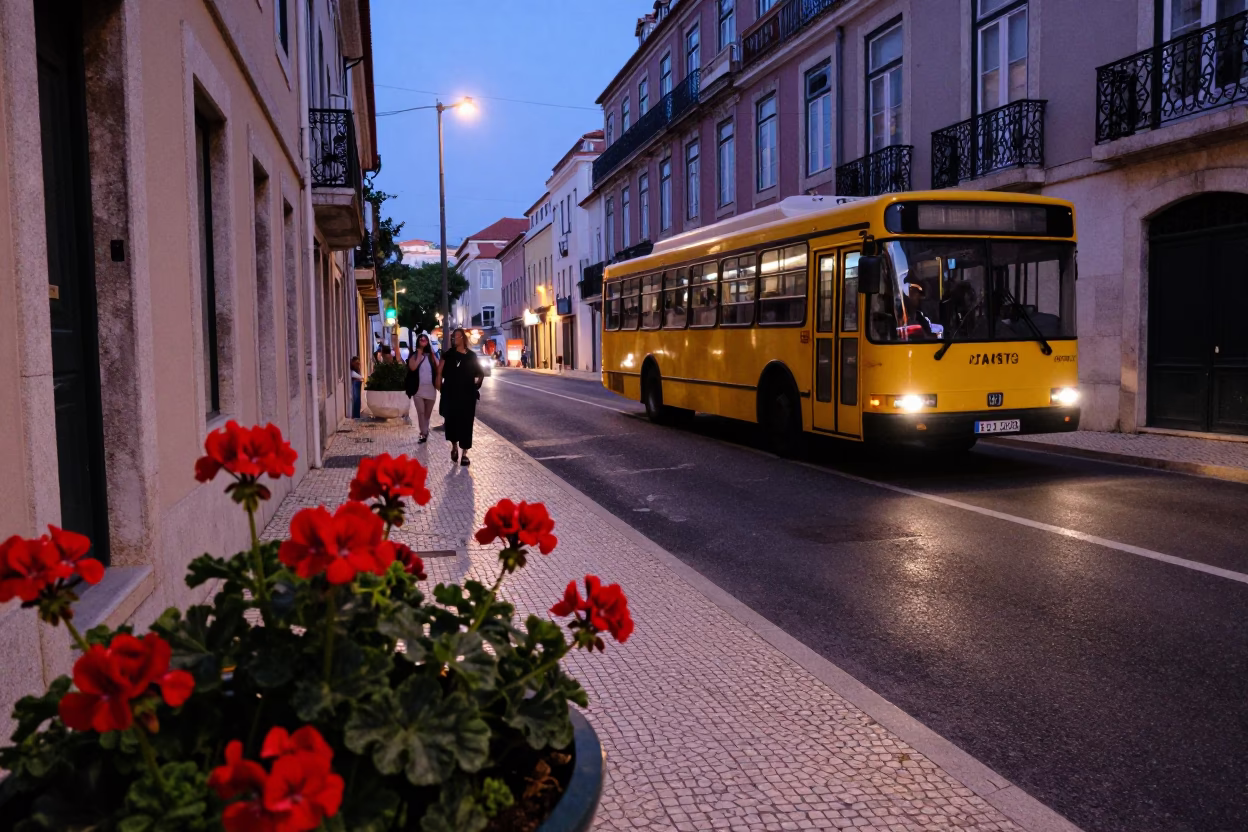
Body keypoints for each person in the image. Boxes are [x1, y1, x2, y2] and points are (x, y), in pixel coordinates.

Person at [436, 327, 485, 466]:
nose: (454, 338)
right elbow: (439, 371)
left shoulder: (471, 356)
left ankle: (464, 453)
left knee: (466, 423)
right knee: (451, 422)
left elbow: (480, 373)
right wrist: (440, 387)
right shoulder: (448, 355)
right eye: (453, 336)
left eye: (457, 336)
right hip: (450, 394)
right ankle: (454, 447)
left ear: (463, 338)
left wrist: (475, 387)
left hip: (467, 396)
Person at [404, 333, 437, 442]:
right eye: (421, 339)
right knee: (421, 412)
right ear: (418, 341)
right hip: (418, 389)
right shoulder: (413, 355)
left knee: (427, 413)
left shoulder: (431, 356)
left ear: (427, 342)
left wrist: (432, 353)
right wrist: (419, 354)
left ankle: (425, 430)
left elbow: (438, 367)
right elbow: (413, 367)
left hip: (431, 389)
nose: (423, 340)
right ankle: (423, 433)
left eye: (425, 339)